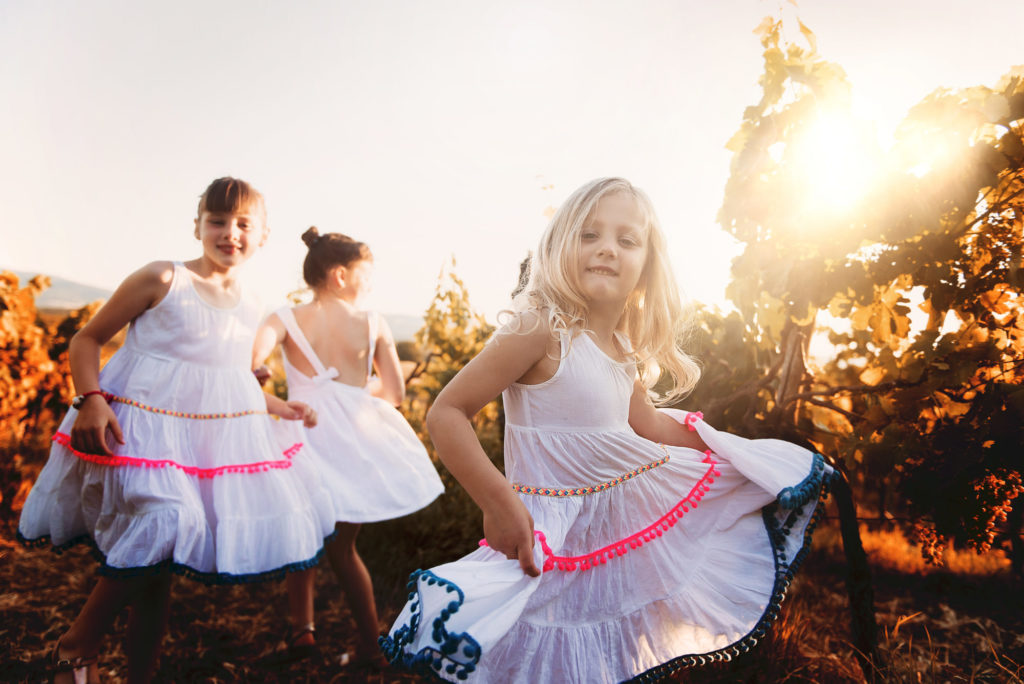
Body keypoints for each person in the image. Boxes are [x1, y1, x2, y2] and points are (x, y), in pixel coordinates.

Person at [380, 177, 833, 682]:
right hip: (545, 538)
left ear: (646, 265)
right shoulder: (541, 328)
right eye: (589, 235)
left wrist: (740, 458)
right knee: (539, 650)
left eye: (627, 240)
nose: (607, 250)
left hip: (612, 535)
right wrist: (499, 503)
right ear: (559, 246)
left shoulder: (621, 347)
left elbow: (653, 426)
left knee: (605, 654)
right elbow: (447, 413)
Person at [17, 177, 336, 683]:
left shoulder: (254, 303)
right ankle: (77, 645)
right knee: (171, 519)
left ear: (263, 236)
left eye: (243, 224)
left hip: (198, 448)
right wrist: (90, 400)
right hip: (134, 433)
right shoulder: (163, 278)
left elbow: (231, 381)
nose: (230, 232)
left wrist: (279, 405)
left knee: (156, 579)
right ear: (197, 227)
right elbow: (86, 340)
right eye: (218, 221)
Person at [252, 227, 444, 667]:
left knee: (303, 531)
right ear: (340, 275)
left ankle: (303, 630)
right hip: (354, 440)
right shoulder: (373, 322)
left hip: (300, 430)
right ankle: (368, 642)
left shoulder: (282, 317)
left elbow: (250, 365)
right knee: (343, 547)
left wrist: (281, 387)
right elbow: (394, 392)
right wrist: (351, 393)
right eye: (366, 274)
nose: (370, 284)